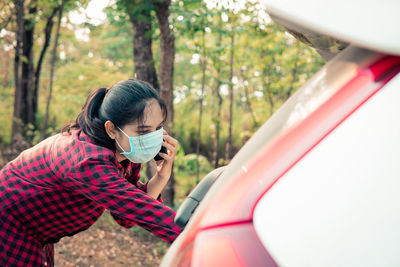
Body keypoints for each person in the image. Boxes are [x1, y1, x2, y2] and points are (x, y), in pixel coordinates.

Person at [0, 79, 182, 266]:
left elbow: (125, 217)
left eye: (158, 127)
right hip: (10, 221)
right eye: (143, 131)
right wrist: (196, 234)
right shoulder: (87, 161)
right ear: (112, 129)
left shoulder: (125, 152)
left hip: (39, 229)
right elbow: (143, 211)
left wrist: (161, 177)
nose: (154, 137)